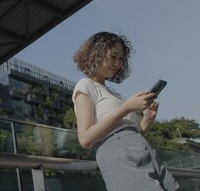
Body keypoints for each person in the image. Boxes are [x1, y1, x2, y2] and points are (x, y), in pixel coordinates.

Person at [72, 31, 179, 191]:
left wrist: (146, 120)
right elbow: (85, 139)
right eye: (113, 56)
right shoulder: (85, 85)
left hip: (143, 149)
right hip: (119, 154)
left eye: (121, 59)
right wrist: (126, 107)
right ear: (97, 53)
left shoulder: (114, 93)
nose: (118, 63)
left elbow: (129, 133)